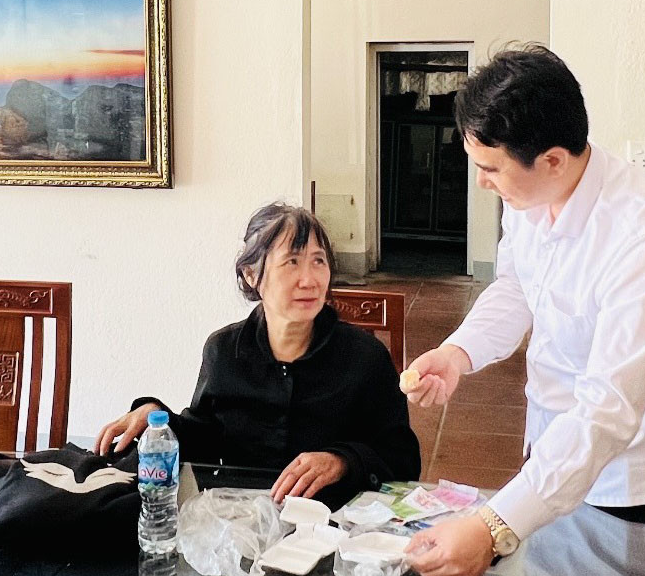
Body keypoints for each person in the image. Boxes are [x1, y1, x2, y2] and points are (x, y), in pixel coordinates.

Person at [401, 46, 645, 576]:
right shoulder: (531, 197)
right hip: (550, 449)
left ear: (552, 160)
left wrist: (492, 526)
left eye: (490, 168)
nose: (481, 182)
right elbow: (516, 287)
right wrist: (458, 352)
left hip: (632, 477)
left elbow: (607, 411)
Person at [96, 203, 421, 507]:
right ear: (252, 275)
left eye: (318, 261)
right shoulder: (225, 351)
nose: (309, 280)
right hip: (242, 521)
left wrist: (342, 461)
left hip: (332, 522)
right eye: (292, 262)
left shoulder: (364, 358)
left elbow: (403, 459)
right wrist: (158, 419)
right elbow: (203, 440)